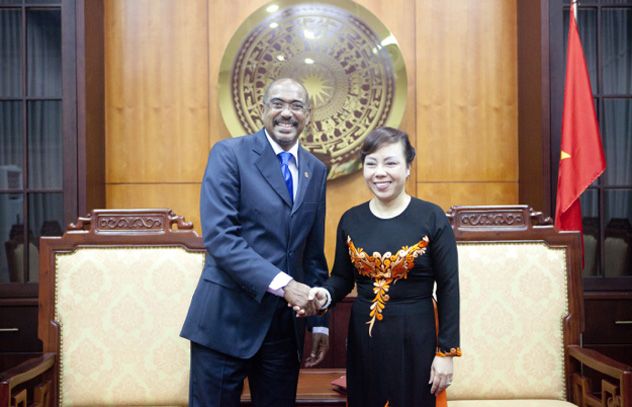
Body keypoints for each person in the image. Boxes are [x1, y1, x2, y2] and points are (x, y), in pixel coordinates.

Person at [180, 78, 329, 407]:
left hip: (282, 330)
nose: (286, 113)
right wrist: (286, 284)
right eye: (277, 104)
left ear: (309, 114)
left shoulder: (315, 171)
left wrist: (320, 323)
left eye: (296, 106)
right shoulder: (229, 154)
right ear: (262, 110)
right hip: (225, 321)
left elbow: (312, 253)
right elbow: (221, 237)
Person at [308, 127, 461, 407]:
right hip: (365, 339)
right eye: (371, 163)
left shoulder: (431, 217)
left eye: (390, 163)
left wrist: (446, 354)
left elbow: (449, 287)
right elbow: (342, 277)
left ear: (408, 168)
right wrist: (325, 295)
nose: (380, 172)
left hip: (417, 335)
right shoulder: (351, 220)